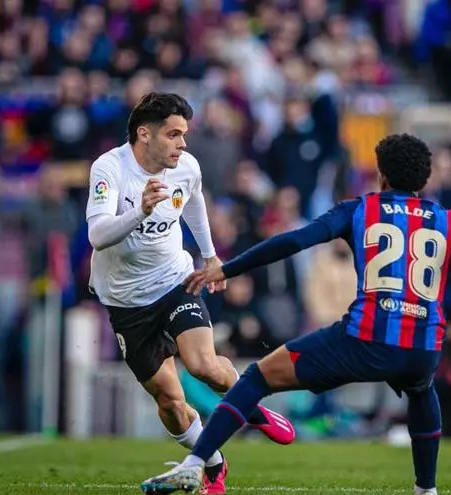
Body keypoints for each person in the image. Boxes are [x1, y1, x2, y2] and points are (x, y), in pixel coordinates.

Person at [139, 134, 451, 495]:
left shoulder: (360, 210)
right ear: (425, 180)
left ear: (382, 174)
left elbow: (293, 241)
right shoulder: (449, 221)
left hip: (364, 340)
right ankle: (426, 489)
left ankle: (197, 463)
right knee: (421, 388)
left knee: (258, 376)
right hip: (422, 346)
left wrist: (228, 268)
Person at [86, 92, 295, 495]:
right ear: (144, 134)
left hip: (175, 281)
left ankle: (252, 409)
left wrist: (210, 255)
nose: (182, 144)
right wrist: (140, 211)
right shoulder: (109, 168)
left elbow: (195, 201)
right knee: (170, 401)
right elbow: (97, 234)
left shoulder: (186, 167)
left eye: (184, 134)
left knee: (203, 365)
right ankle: (214, 464)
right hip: (127, 301)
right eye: (173, 134)